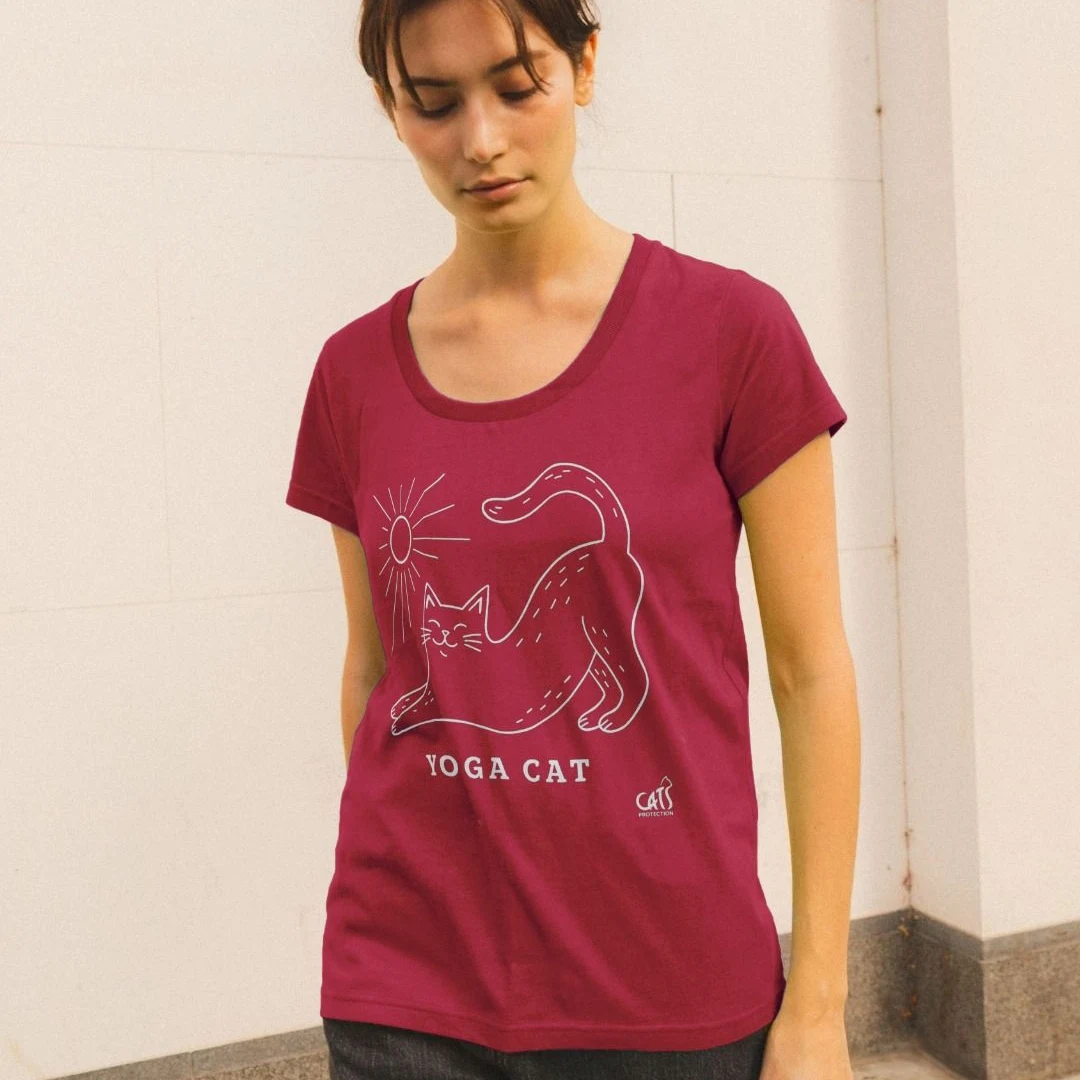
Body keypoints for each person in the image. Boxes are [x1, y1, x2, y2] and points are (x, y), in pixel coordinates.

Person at [285, 0, 861, 1076]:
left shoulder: (733, 334)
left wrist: (819, 1004)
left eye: (518, 86)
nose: (482, 141)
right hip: (407, 992)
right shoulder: (352, 373)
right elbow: (375, 667)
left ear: (585, 64)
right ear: (390, 108)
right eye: (434, 103)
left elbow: (811, 671)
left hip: (669, 987)